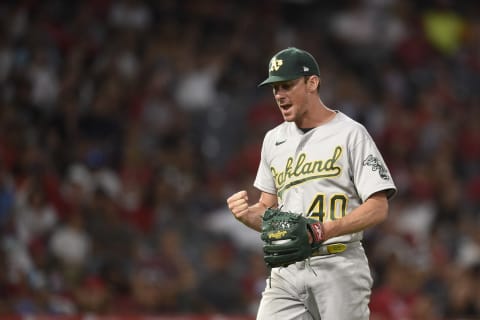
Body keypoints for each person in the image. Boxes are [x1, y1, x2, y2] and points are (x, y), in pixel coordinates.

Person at [226, 47, 397, 320]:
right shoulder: (273, 139)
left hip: (339, 262)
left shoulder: (350, 133)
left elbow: (378, 207)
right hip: (287, 267)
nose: (279, 95)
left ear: (312, 83)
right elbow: (268, 213)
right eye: (274, 88)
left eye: (287, 85)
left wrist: (324, 230)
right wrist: (248, 215)